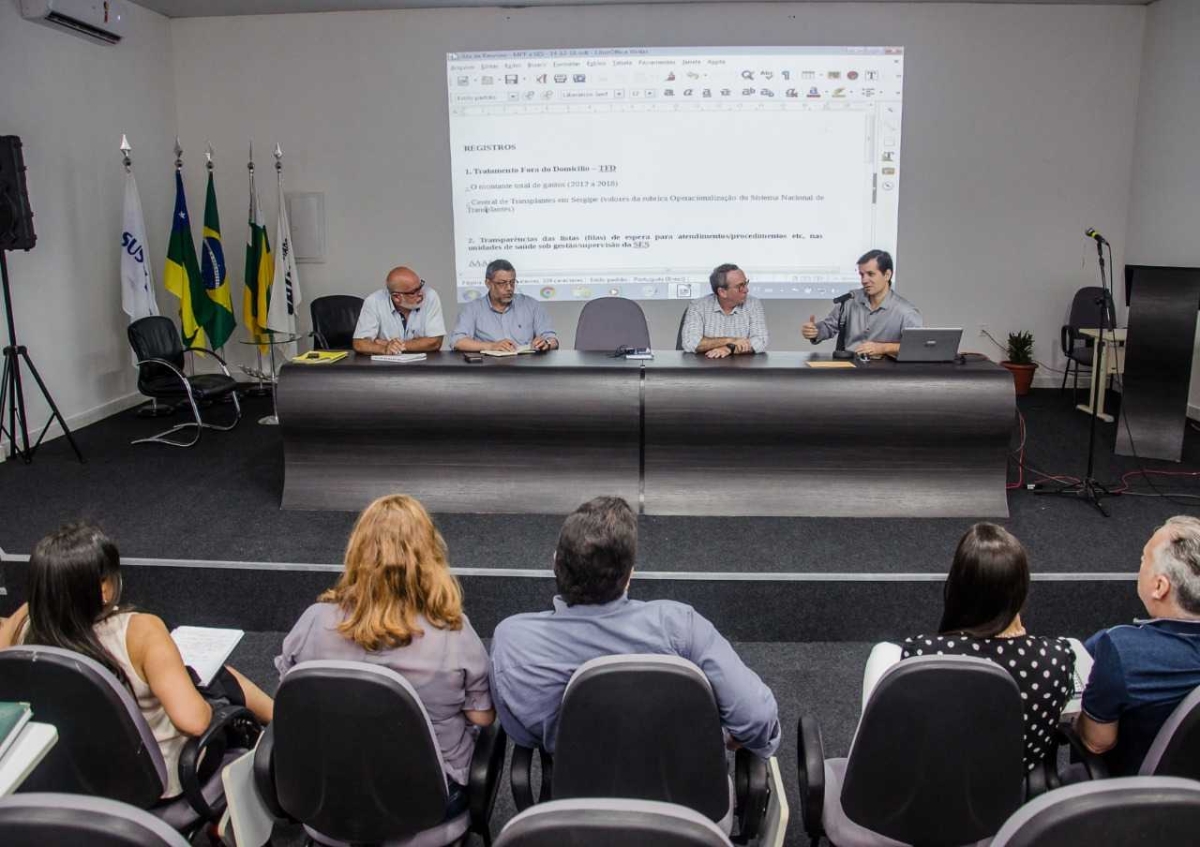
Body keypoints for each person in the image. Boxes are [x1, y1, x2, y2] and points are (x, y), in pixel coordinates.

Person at [490, 495, 781, 758]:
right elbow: (756, 720)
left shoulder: (511, 642)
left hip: (578, 807)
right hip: (684, 805)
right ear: (629, 576)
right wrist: (724, 739)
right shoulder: (679, 626)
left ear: (555, 564)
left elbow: (524, 735)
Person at [0, 522, 275, 798]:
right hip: (148, 781)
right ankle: (284, 725)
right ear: (104, 588)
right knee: (218, 679)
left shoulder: (25, 623)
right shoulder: (139, 631)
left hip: (69, 775)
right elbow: (194, 723)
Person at [276, 494, 493, 802]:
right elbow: (482, 718)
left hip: (333, 797)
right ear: (430, 556)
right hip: (427, 801)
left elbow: (291, 701)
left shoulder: (313, 622)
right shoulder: (454, 634)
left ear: (357, 553)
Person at [861, 523, 1074, 772]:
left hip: (925, 796)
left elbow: (888, 739)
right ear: (1021, 591)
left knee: (882, 653)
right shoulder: (1056, 659)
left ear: (957, 588)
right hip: (1009, 801)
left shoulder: (920, 656)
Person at [1076, 516, 1200, 775]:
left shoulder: (1121, 649)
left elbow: (1097, 742)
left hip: (1136, 798)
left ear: (1159, 586)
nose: (1140, 565)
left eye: (1143, 560)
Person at [801, 249, 922, 357]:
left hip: (885, 375)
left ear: (887, 275)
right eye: (861, 274)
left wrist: (884, 348)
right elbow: (828, 327)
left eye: (870, 274)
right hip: (849, 372)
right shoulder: (850, 300)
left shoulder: (906, 312)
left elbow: (917, 346)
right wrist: (815, 331)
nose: (864, 280)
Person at [450, 259, 558, 352]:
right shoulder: (473, 309)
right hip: (488, 370)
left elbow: (552, 339)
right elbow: (457, 341)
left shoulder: (531, 305)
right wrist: (491, 346)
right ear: (488, 283)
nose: (509, 288)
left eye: (512, 282)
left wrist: (546, 343)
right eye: (502, 283)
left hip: (526, 369)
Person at [680, 263, 769, 358]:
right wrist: (730, 340)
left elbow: (761, 341)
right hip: (706, 368)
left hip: (743, 369)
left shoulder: (753, 304)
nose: (746, 290)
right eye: (740, 286)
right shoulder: (697, 306)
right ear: (722, 292)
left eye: (745, 283)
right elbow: (690, 343)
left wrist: (729, 348)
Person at [352, 266, 446, 355]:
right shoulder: (374, 301)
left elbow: (435, 342)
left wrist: (387, 344)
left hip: (423, 366)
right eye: (414, 292)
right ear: (397, 297)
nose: (421, 293)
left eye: (420, 286)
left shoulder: (430, 296)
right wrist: (384, 349)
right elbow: (359, 344)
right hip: (386, 367)